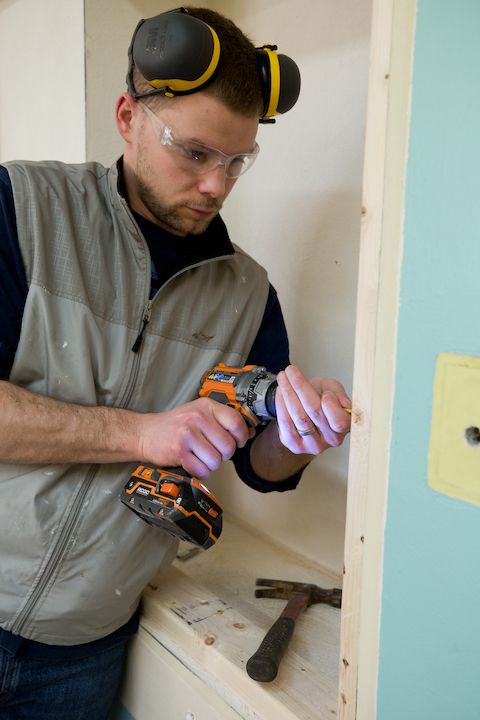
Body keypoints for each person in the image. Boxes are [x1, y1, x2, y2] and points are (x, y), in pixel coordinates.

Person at [0, 6, 351, 719]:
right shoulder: (22, 209)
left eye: (237, 161)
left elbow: (262, 466)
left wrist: (301, 430)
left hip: (85, 650)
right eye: (194, 153)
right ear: (128, 117)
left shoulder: (249, 293)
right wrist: (142, 433)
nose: (217, 185)